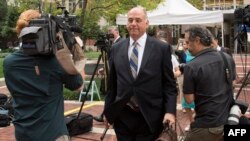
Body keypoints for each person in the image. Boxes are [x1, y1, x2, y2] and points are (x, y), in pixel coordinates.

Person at [3, 9, 84, 141]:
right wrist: (76, 51)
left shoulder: (9, 63)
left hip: (23, 133)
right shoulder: (56, 61)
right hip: (53, 134)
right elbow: (78, 86)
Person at [103, 6, 177, 141]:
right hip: (123, 116)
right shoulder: (116, 48)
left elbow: (169, 85)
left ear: (147, 23)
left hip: (150, 117)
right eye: (130, 20)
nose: (133, 24)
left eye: (138, 20)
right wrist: (107, 111)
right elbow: (112, 85)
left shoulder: (161, 48)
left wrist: (170, 112)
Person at [183, 26, 235, 141]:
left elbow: (189, 100)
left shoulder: (192, 66)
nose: (186, 46)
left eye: (187, 42)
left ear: (197, 40)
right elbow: (232, 83)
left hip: (206, 126)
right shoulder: (227, 58)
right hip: (228, 120)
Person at [93, 25, 123, 122]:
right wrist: (104, 68)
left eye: (111, 31)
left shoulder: (121, 43)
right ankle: (105, 115)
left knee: (112, 95)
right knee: (111, 95)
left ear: (117, 32)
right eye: (108, 31)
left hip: (119, 75)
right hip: (113, 73)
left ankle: (106, 115)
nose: (109, 33)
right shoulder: (112, 44)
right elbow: (111, 60)